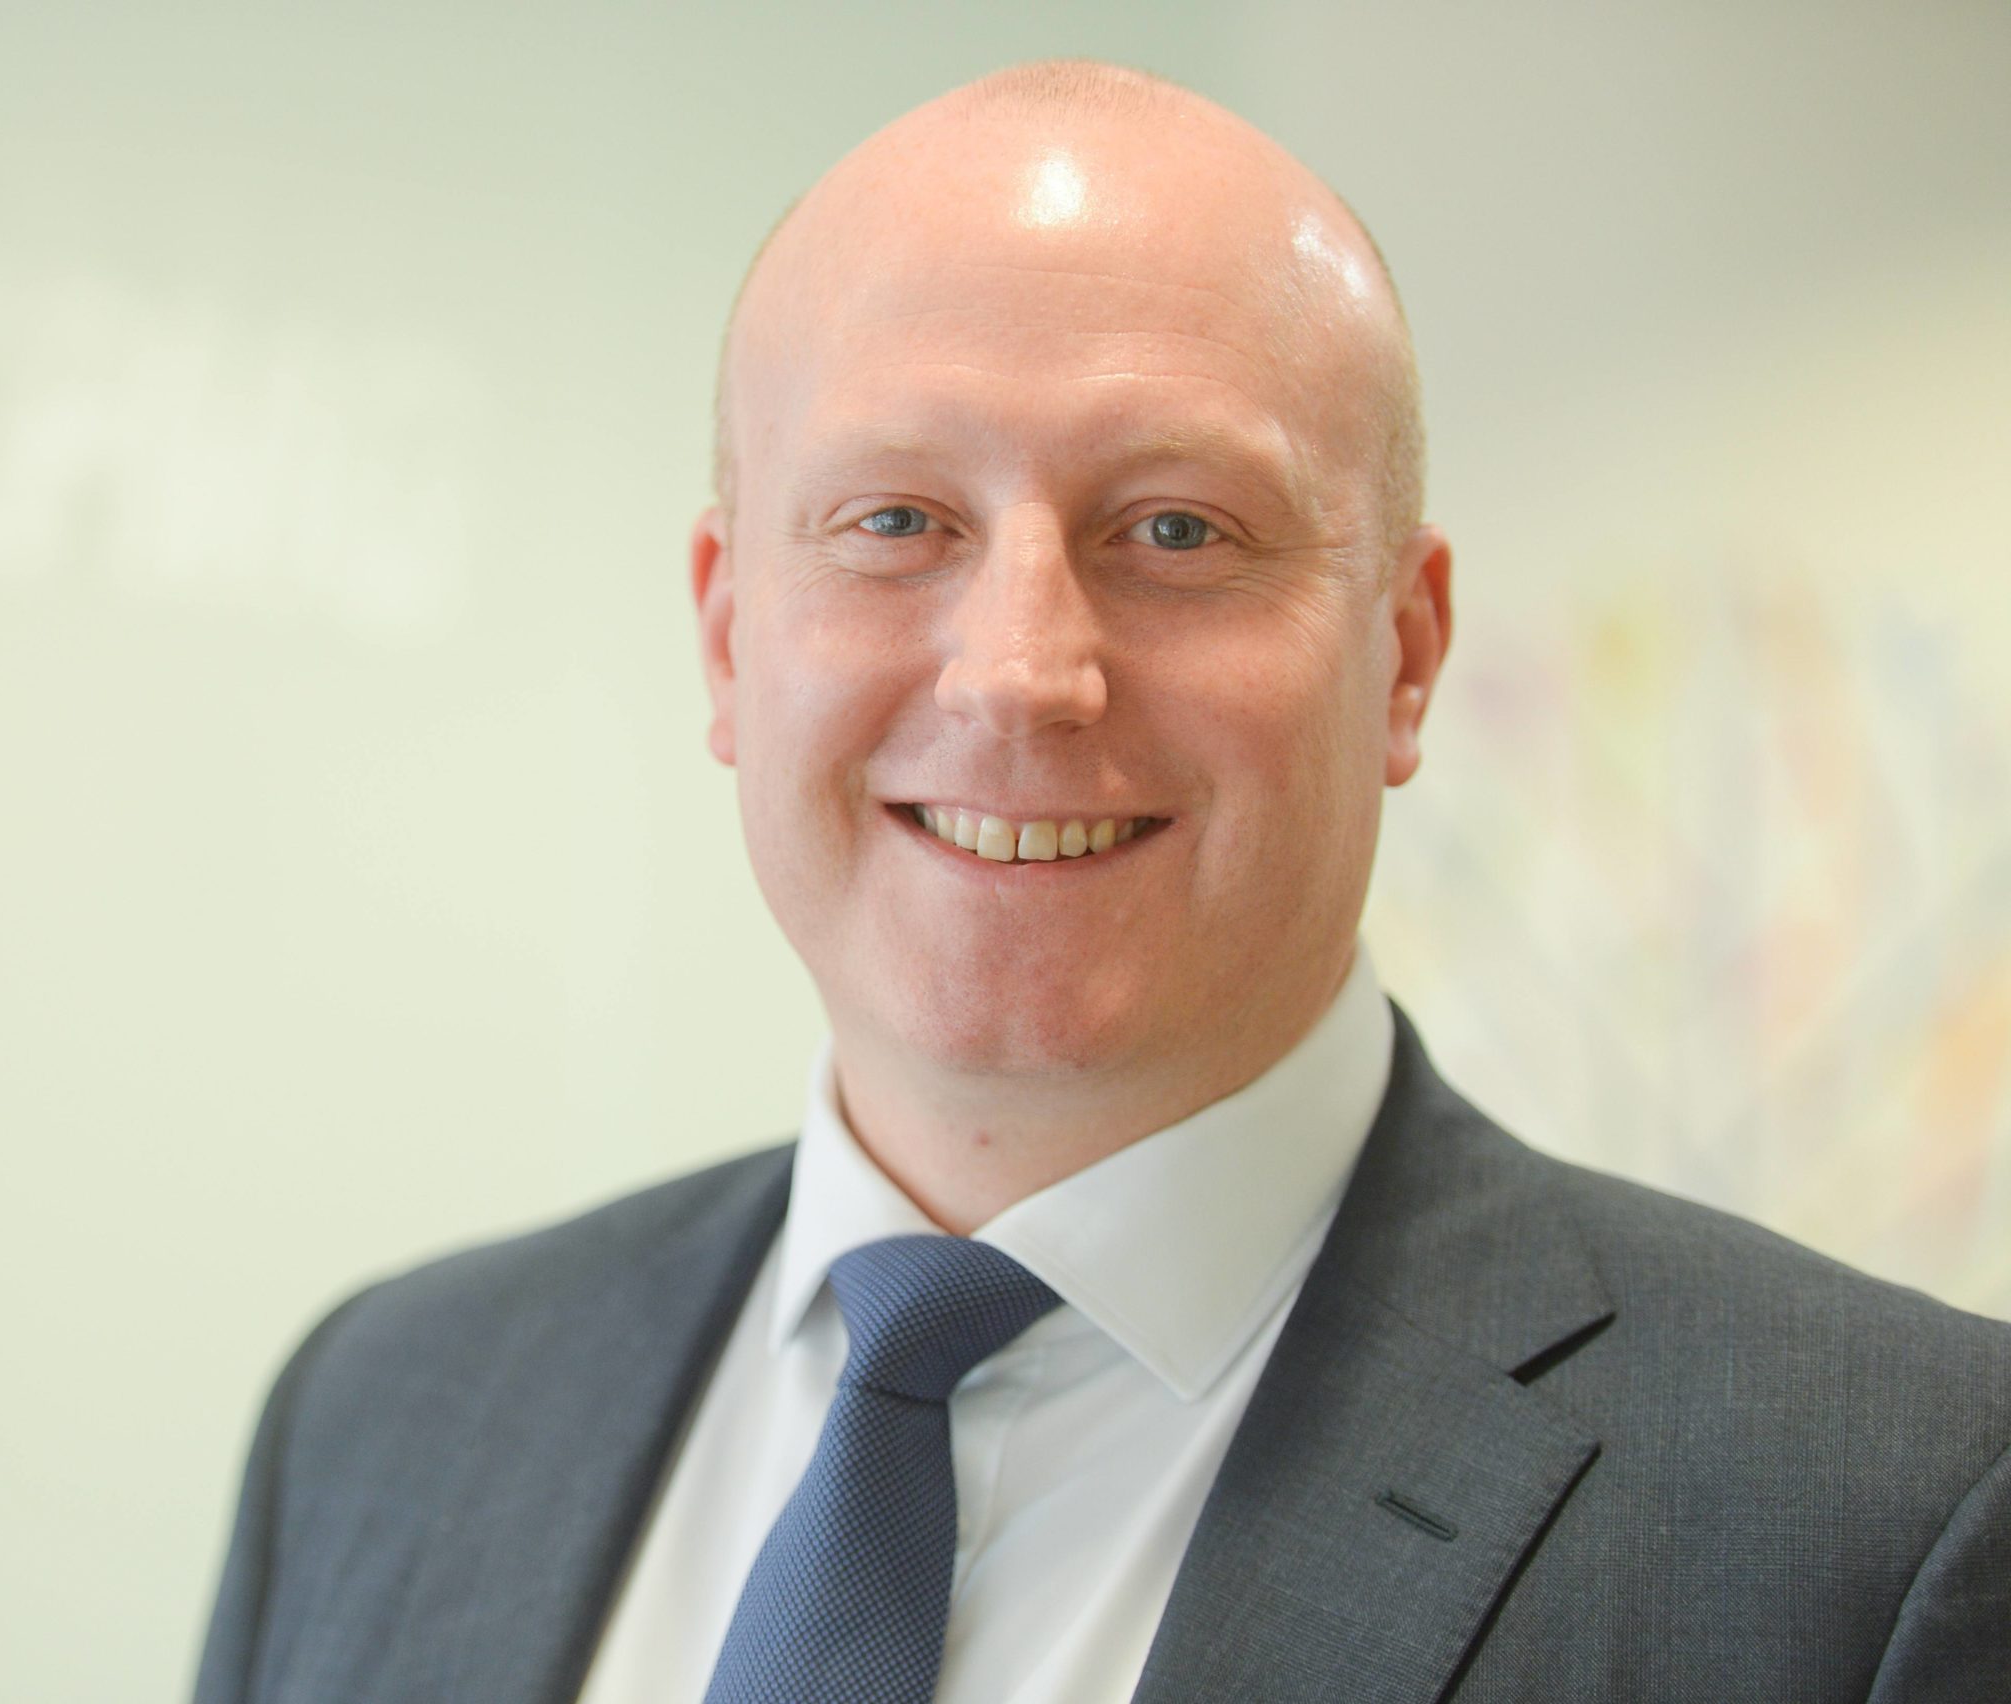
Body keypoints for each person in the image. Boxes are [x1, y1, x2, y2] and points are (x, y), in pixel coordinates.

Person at [193, 60, 2011, 1703]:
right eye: (898, 522)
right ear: (730, 631)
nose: (1021, 674)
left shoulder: (1891, 1522)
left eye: (1177, 532)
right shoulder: (387, 1417)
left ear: (1407, 650)